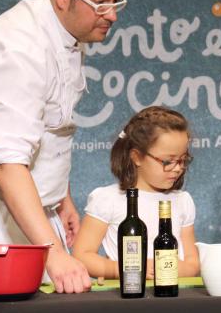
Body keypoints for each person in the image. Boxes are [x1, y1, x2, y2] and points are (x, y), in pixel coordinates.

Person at [0, 0, 127, 293]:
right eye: (100, 1)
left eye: (116, 2)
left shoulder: (68, 31)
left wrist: (60, 195)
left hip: (31, 207)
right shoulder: (21, 48)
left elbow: (50, 125)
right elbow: (7, 162)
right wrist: (52, 253)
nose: (111, 14)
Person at [72, 106, 199, 279]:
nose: (178, 168)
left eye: (183, 160)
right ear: (137, 157)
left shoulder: (182, 201)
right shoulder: (108, 199)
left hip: (172, 298)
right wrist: (125, 269)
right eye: (168, 161)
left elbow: (192, 263)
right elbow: (82, 256)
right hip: (125, 298)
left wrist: (167, 268)